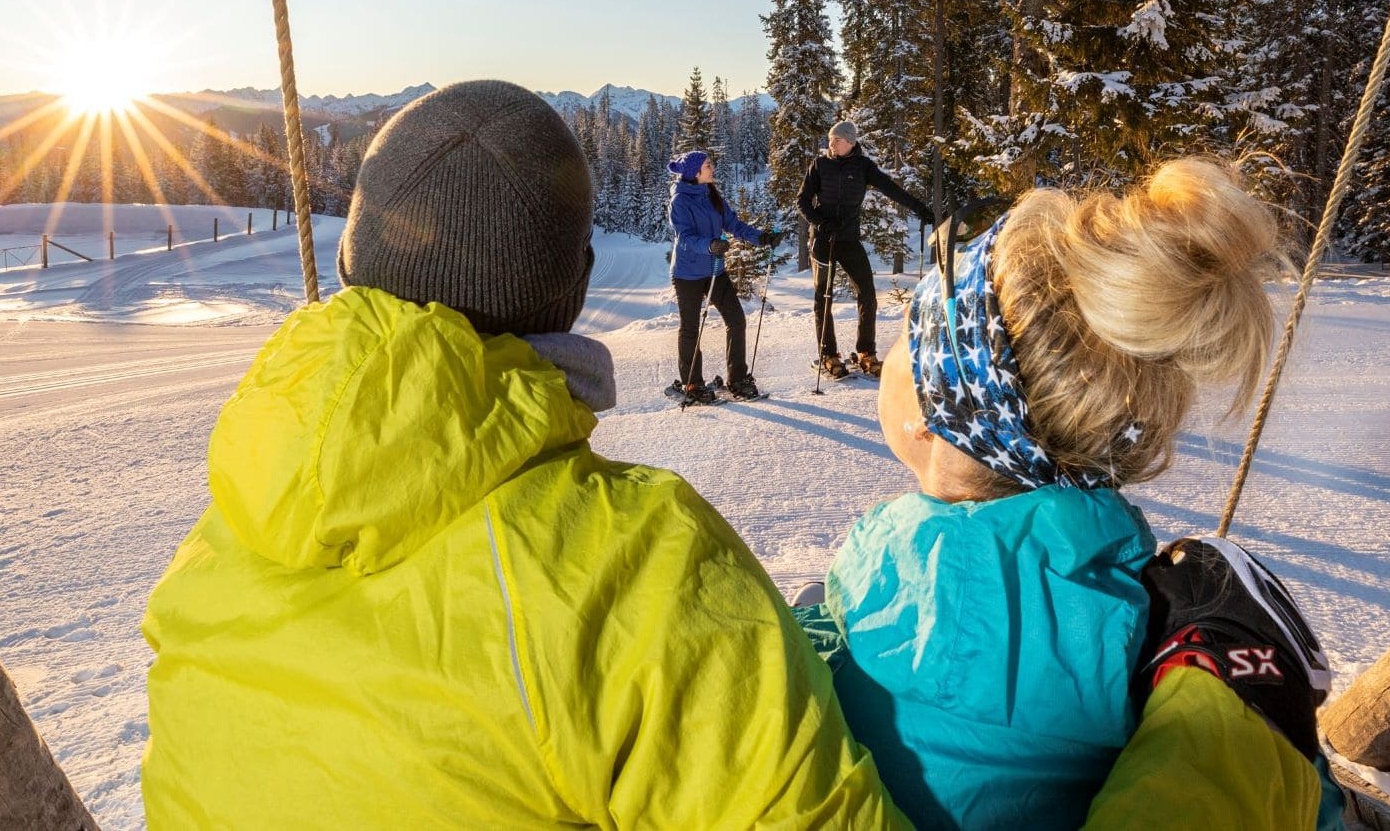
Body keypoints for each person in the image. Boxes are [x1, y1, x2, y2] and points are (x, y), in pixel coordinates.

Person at [142, 82, 899, 828]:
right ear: (573, 289)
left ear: (348, 262)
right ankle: (700, 376)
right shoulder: (642, 565)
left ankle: (721, 375)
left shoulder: (219, 537)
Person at [792, 157, 1343, 829]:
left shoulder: (878, 586)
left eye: (913, 329)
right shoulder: (1159, 646)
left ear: (934, 410)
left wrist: (810, 634)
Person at [796, 119, 932, 379]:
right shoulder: (820, 164)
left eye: (836, 140)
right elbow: (801, 201)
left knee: (867, 294)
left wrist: (920, 209)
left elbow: (891, 189)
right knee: (823, 298)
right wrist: (821, 222)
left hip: (848, 240)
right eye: (830, 140)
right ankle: (829, 355)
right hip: (824, 240)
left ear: (850, 141)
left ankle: (866, 352)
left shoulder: (863, 166)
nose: (831, 143)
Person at [668, 149, 783, 403]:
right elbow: (684, 238)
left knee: (736, 320)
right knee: (690, 329)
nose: (712, 167)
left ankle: (738, 379)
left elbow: (734, 224)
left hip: (715, 271)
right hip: (687, 274)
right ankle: (692, 385)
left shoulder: (711, 195)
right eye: (708, 165)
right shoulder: (679, 201)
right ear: (695, 172)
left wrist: (762, 238)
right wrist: (709, 245)